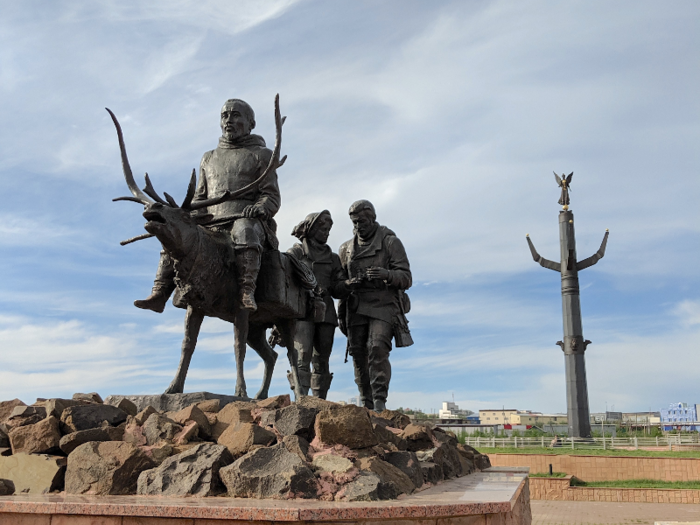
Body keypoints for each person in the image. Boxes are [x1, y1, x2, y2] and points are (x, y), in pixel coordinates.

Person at [135, 99, 280, 313]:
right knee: (172, 232)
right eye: (225, 115)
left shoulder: (262, 154)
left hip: (248, 221)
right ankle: (159, 293)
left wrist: (259, 208)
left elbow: (271, 195)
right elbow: (200, 197)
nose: (229, 120)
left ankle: (246, 290)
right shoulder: (209, 157)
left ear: (251, 123)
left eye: (236, 115)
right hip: (212, 223)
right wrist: (186, 217)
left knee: (244, 230)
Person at [337, 200, 412, 412]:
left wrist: (386, 274)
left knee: (377, 348)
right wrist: (348, 290)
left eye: (361, 221)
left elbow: (406, 277)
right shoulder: (345, 249)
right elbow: (339, 285)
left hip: (383, 305)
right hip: (356, 306)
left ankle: (379, 402)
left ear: (372, 219)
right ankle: (366, 403)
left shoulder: (390, 242)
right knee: (358, 354)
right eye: (354, 222)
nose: (357, 226)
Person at [286, 210, 345, 398]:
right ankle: (300, 400)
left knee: (322, 360)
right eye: (323, 228)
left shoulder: (333, 258)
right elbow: (284, 276)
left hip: (326, 313)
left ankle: (319, 401)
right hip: (302, 311)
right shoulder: (296, 253)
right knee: (302, 356)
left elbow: (338, 287)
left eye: (329, 229)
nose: (327, 232)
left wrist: (347, 285)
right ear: (311, 229)